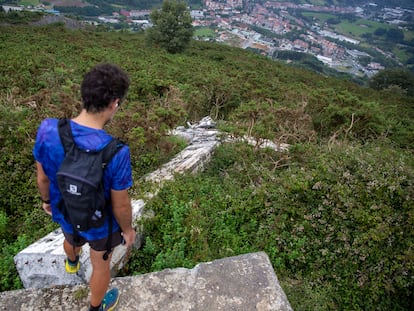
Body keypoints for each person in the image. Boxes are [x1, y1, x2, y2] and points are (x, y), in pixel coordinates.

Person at [33, 63, 136, 311]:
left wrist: (47, 201)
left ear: (84, 95)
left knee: (70, 237)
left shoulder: (48, 130)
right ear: (115, 103)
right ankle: (95, 307)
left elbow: (43, 178)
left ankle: (71, 261)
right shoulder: (116, 151)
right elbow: (120, 203)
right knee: (101, 264)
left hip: (64, 208)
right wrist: (128, 230)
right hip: (100, 223)